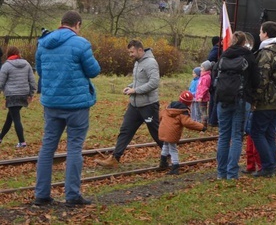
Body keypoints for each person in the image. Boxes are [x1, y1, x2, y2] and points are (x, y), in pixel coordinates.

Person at [34, 11, 101, 206]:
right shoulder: (80, 44)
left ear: (60, 23)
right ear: (77, 24)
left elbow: (40, 70)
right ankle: (72, 195)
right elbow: (94, 71)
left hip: (51, 104)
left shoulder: (43, 44)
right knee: (74, 148)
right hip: (76, 105)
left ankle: (41, 195)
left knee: (47, 148)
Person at [97, 40, 161, 168]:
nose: (130, 54)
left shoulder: (151, 63)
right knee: (125, 130)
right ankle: (114, 159)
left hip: (148, 106)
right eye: (129, 52)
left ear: (140, 50)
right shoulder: (137, 63)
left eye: (132, 52)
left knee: (156, 133)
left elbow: (154, 83)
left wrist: (135, 90)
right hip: (135, 105)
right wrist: (130, 87)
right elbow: (139, 81)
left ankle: (169, 155)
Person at [248, 21, 276, 177]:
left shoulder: (266, 53)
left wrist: (254, 99)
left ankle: (268, 167)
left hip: (267, 100)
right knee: (268, 133)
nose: (259, 34)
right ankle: (271, 166)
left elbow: (262, 80)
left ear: (265, 33)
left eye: (260, 32)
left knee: (256, 132)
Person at [214, 31, 252, 180]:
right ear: (244, 42)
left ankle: (220, 173)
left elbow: (214, 77)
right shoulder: (248, 56)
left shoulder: (223, 56)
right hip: (241, 100)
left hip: (223, 99)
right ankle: (232, 173)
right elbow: (255, 78)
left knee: (223, 136)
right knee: (236, 136)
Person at [158, 91, 205, 175]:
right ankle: (175, 167)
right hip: (172, 133)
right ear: (189, 103)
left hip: (162, 130)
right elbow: (188, 123)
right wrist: (201, 127)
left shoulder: (168, 108)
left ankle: (163, 163)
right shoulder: (183, 112)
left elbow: (160, 116)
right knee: (173, 149)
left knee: (165, 145)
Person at [0, 46, 36, 148]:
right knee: (10, 117)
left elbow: (1, 82)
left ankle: (22, 142)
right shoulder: (27, 64)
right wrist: (31, 94)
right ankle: (1, 137)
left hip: (12, 95)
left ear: (8, 54)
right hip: (23, 94)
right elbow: (32, 81)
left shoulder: (6, 66)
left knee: (15, 118)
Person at [206, 36, 221, 127]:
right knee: (214, 99)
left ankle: (212, 118)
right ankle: (212, 119)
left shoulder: (216, 49)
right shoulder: (216, 50)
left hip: (214, 75)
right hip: (215, 76)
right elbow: (210, 59)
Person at [195, 61, 213, 125]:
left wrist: (200, 96)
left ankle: (204, 124)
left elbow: (204, 88)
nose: (200, 68)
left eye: (202, 67)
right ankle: (200, 123)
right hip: (200, 96)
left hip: (203, 97)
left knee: (203, 111)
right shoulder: (202, 76)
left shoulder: (206, 77)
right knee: (200, 110)